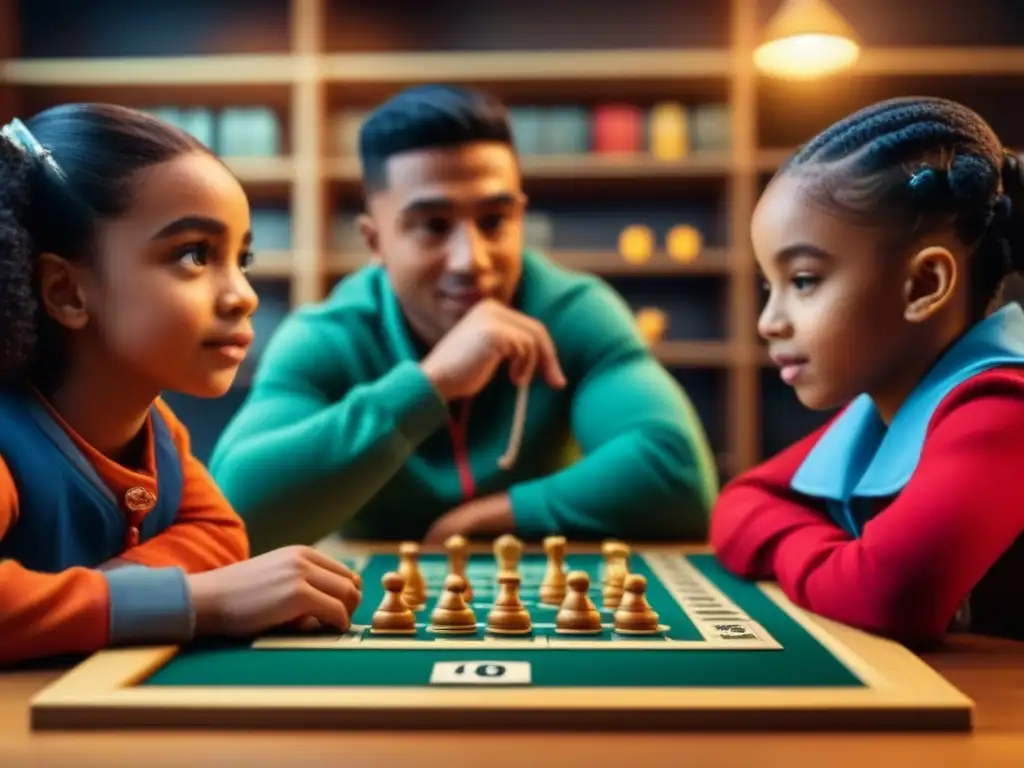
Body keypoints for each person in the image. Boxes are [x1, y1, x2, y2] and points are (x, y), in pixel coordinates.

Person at [209, 84, 718, 553]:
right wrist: (432, 384)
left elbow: (680, 478)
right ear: (375, 241)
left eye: (494, 221)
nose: (470, 259)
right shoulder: (327, 335)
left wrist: (502, 515)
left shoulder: (575, 311)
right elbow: (235, 512)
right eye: (433, 226)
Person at [0, 105, 361, 664]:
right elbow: (211, 574)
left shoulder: (157, 426)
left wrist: (106, 594)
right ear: (67, 292)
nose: (244, 295)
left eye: (241, 259)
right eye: (195, 254)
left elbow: (217, 533)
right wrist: (193, 601)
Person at [710, 96, 1024, 645]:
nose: (767, 322)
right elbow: (737, 504)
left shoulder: (1005, 406)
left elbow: (885, 595)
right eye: (769, 286)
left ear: (925, 285)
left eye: (803, 280)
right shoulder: (880, 408)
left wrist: (806, 550)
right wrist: (829, 554)